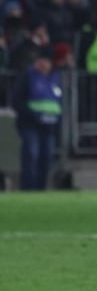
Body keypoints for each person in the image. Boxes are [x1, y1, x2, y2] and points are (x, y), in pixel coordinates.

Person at [11, 45, 63, 190]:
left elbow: (58, 102)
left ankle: (40, 189)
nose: (45, 65)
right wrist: (32, 115)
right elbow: (17, 101)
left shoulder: (54, 77)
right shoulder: (27, 76)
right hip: (30, 125)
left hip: (49, 125)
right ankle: (28, 188)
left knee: (46, 158)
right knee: (31, 156)